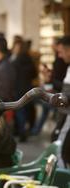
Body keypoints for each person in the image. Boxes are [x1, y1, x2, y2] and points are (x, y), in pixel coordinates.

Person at [55, 35, 70, 168]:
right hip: (64, 117)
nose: (59, 56)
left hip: (67, 118)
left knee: (61, 152)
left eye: (60, 52)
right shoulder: (68, 68)